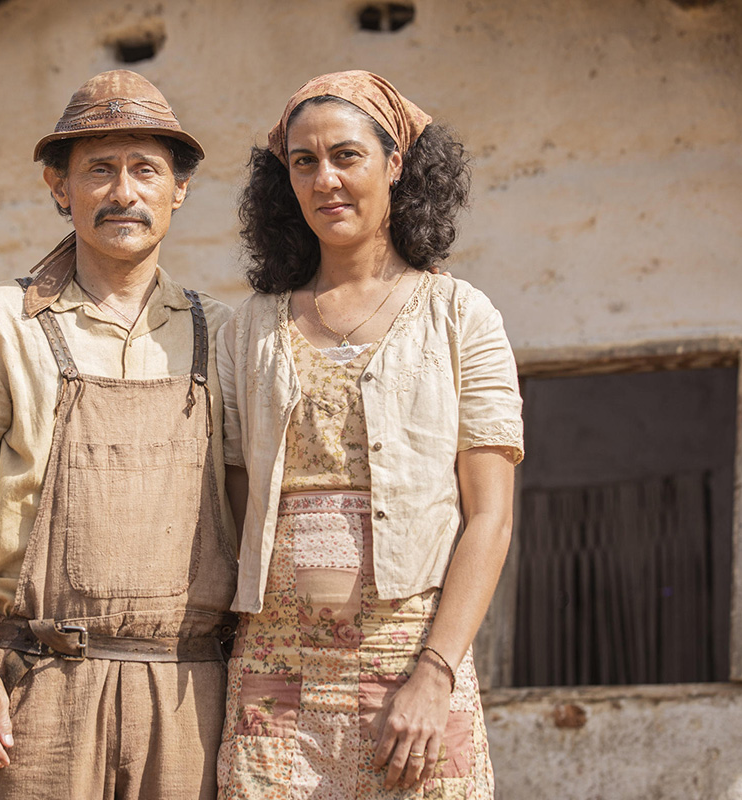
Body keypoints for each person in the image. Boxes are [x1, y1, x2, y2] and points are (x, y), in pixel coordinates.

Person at [0, 70, 239, 799]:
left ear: (178, 190)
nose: (123, 192)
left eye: (145, 169)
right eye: (99, 169)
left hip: (192, 693)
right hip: (40, 694)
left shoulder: (222, 333)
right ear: (59, 187)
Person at [216, 71, 523, 798]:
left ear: (395, 165)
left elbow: (491, 517)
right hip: (272, 671)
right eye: (303, 161)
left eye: (346, 156)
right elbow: (229, 505)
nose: (325, 179)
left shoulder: (460, 317)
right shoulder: (249, 328)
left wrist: (435, 673)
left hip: (410, 665)